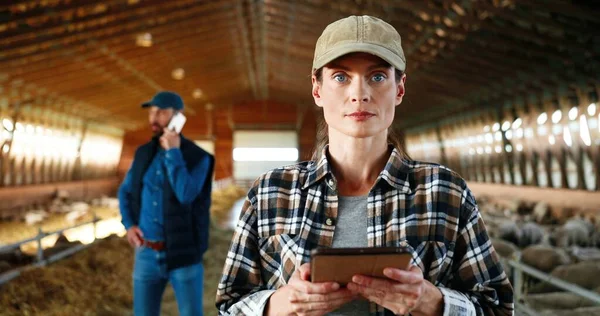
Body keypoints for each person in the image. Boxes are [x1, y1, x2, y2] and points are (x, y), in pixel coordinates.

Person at [215, 15, 513, 316]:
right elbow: (230, 307)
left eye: (378, 77)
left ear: (399, 88)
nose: (360, 94)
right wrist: (279, 305)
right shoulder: (271, 193)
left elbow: (499, 308)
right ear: (317, 89)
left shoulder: (445, 192)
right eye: (341, 77)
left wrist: (432, 302)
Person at [119, 91, 214, 316]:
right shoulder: (143, 154)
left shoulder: (199, 158)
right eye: (152, 112)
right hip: (146, 254)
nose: (153, 118)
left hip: (184, 254)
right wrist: (129, 224)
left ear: (178, 116)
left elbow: (186, 195)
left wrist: (173, 152)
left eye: (161, 112)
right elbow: (125, 192)